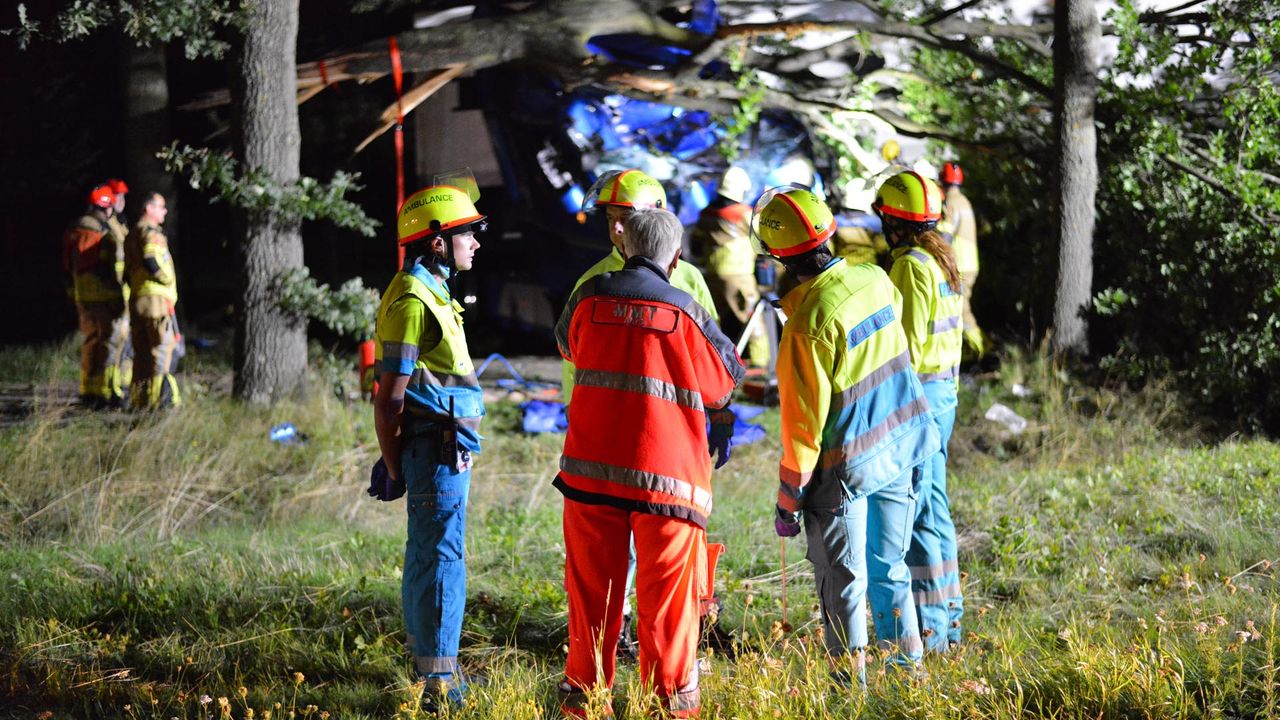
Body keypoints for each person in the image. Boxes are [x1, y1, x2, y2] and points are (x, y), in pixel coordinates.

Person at [553, 207, 744, 718]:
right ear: (676, 257)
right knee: (666, 606)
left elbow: (567, 345)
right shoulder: (686, 311)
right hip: (668, 487)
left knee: (591, 601)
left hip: (591, 478)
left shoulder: (588, 298)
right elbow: (725, 381)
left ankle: (584, 705)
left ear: (624, 246)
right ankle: (669, 709)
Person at [759, 185, 939, 685]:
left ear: (778, 257)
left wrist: (786, 500)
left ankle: (848, 695)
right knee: (891, 569)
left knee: (845, 584)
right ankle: (911, 676)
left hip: (848, 470)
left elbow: (803, 431)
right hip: (901, 448)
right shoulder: (877, 279)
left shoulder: (805, 327)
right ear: (829, 236)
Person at [370, 172, 487, 710]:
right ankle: (441, 686)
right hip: (435, 450)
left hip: (441, 446)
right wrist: (394, 465)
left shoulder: (432, 288)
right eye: (470, 232)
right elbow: (389, 397)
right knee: (442, 560)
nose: (477, 242)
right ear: (437, 241)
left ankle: (428, 669)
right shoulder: (414, 297)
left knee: (429, 555)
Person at [876, 170, 966, 652]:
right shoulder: (939, 255)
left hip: (922, 397)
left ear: (892, 220)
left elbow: (904, 344)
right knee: (936, 509)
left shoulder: (911, 264)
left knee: (924, 512)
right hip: (943, 393)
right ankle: (948, 618)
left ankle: (933, 630)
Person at [562, 168, 719, 403]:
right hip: (613, 408)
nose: (616, 228)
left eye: (625, 218)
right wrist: (571, 405)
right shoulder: (591, 281)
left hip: (678, 410)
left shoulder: (689, 277)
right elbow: (572, 355)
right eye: (610, 218)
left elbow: (711, 345)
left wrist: (717, 409)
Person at [691, 166, 769, 366]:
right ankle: (760, 366)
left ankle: (718, 364)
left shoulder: (706, 213)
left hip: (710, 276)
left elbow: (696, 244)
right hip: (739, 277)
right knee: (752, 320)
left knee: (718, 322)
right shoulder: (743, 214)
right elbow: (765, 239)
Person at [62, 184, 127, 408]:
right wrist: (117, 295)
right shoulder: (103, 233)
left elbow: (67, 267)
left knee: (91, 341)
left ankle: (88, 390)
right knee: (109, 343)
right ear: (107, 208)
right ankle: (106, 392)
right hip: (104, 296)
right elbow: (110, 267)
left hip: (82, 296)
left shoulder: (74, 230)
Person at [124, 192, 181, 409]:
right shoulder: (151, 232)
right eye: (161, 207)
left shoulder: (132, 233)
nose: (164, 211)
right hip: (156, 300)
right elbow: (151, 258)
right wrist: (166, 278)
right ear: (149, 208)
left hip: (138, 299)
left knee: (141, 354)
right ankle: (160, 401)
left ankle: (140, 400)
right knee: (162, 350)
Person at [940, 162, 986, 359]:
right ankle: (979, 348)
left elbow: (944, 236)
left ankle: (981, 350)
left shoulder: (949, 204)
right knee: (963, 307)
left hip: (960, 264)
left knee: (962, 309)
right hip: (971, 263)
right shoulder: (964, 201)